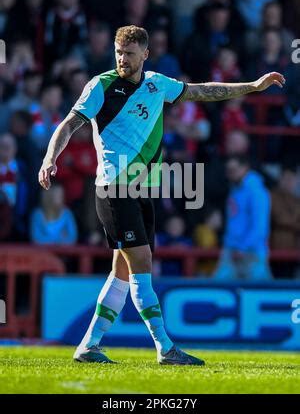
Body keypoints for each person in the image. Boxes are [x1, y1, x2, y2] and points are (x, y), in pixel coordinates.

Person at [38, 25, 285, 365]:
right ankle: (165, 347)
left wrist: (253, 86)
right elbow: (68, 124)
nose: (122, 59)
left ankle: (88, 346)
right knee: (142, 265)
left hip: (141, 189)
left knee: (122, 273)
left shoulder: (157, 84)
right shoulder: (101, 86)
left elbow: (204, 91)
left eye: (129, 53)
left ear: (145, 54)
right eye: (118, 53)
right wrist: (51, 157)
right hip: (114, 188)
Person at [214, 154, 272, 281]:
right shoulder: (235, 189)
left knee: (258, 292)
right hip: (232, 250)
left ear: (244, 168)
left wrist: (243, 247)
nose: (230, 174)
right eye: (228, 171)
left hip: (252, 252)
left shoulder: (257, 192)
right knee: (219, 285)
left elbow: (260, 226)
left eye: (233, 170)